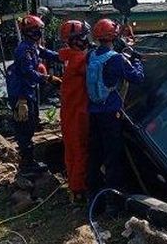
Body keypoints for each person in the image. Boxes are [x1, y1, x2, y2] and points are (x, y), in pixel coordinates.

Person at [87, 18, 144, 206]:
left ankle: (93, 197)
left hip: (93, 112)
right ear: (115, 36)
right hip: (111, 114)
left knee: (95, 154)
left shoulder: (91, 55)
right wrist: (136, 60)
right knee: (113, 156)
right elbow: (137, 78)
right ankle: (114, 202)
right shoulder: (117, 59)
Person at [6, 14, 61, 174]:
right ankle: (27, 164)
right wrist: (49, 78)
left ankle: (29, 161)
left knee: (31, 125)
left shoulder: (33, 47)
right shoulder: (24, 50)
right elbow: (28, 72)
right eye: (37, 30)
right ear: (30, 32)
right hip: (21, 96)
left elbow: (48, 54)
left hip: (29, 93)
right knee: (24, 128)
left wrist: (66, 55)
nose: (40, 33)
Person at [58, 20, 92, 205]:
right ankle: (79, 191)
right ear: (78, 39)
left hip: (69, 111)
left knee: (71, 151)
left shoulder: (67, 56)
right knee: (81, 151)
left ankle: (74, 186)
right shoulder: (80, 59)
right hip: (79, 111)